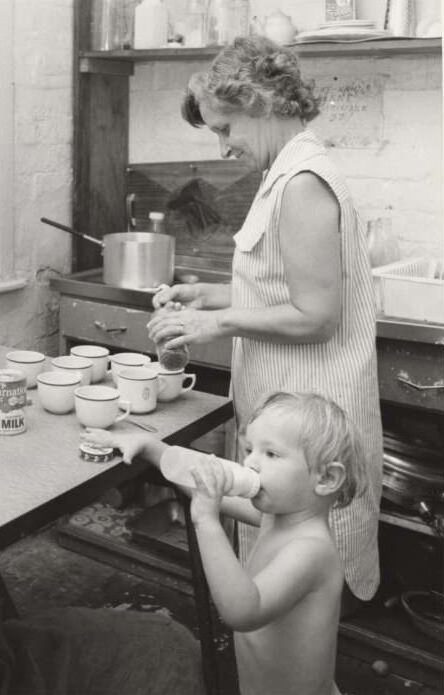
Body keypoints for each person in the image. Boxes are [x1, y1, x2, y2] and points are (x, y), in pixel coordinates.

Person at [147, 36, 382, 611]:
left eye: (226, 129)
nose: (223, 147)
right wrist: (208, 294)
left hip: (313, 425)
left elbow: (317, 316)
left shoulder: (302, 183)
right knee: (282, 588)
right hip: (290, 422)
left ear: (263, 103)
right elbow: (283, 288)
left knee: (304, 593)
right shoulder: (283, 174)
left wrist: (216, 325)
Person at [83, 391, 368, 695]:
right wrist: (151, 448)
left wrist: (206, 522)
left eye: (271, 454)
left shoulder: (311, 550)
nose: (251, 463)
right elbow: (204, 482)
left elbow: (243, 612)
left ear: (325, 479)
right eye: (249, 449)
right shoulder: (279, 515)